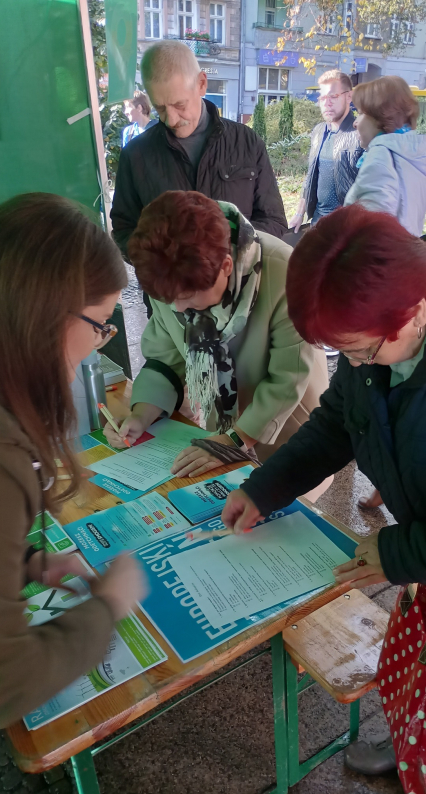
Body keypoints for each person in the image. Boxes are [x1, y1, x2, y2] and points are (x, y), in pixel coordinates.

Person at [222, 204, 426, 774]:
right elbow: (341, 419)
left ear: (414, 315)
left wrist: (402, 553)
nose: (352, 363)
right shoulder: (372, 305)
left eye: (358, 350)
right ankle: (416, 754)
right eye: (341, 352)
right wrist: (266, 486)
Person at [0, 194, 147, 794]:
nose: (100, 344)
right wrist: (106, 608)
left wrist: (24, 561)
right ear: (44, 315)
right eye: (99, 326)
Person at [103, 191, 329, 479]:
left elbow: (288, 377)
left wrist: (233, 441)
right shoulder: (168, 276)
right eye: (167, 299)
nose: (178, 308)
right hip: (223, 421)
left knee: (282, 502)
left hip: (284, 418)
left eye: (187, 297)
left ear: (225, 267)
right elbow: (165, 357)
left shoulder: (286, 271)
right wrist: (141, 415)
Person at [110, 40, 287, 263]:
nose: (171, 119)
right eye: (160, 108)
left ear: (202, 84)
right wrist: (161, 259)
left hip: (240, 291)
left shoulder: (246, 142)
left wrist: (226, 246)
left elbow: (275, 221)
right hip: (170, 294)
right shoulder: (135, 155)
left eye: (180, 105)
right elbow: (124, 230)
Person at [345, 74, 426, 508]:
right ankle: (389, 482)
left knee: (375, 377)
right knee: (400, 379)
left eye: (359, 115)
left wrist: (342, 243)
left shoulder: (381, 151)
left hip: (378, 272)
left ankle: (386, 477)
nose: (354, 123)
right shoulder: (418, 149)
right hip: (410, 262)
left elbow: (375, 212)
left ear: (377, 120)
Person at [344, 75, 426, 238]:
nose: (355, 123)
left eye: (361, 113)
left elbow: (371, 234)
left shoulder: (382, 156)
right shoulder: (413, 155)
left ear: (381, 117)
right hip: (406, 256)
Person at [289, 70, 363, 233]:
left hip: (346, 231)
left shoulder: (361, 134)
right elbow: (310, 177)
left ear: (348, 96)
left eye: (333, 97)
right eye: (323, 98)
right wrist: (299, 213)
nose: (327, 103)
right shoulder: (319, 131)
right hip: (317, 226)